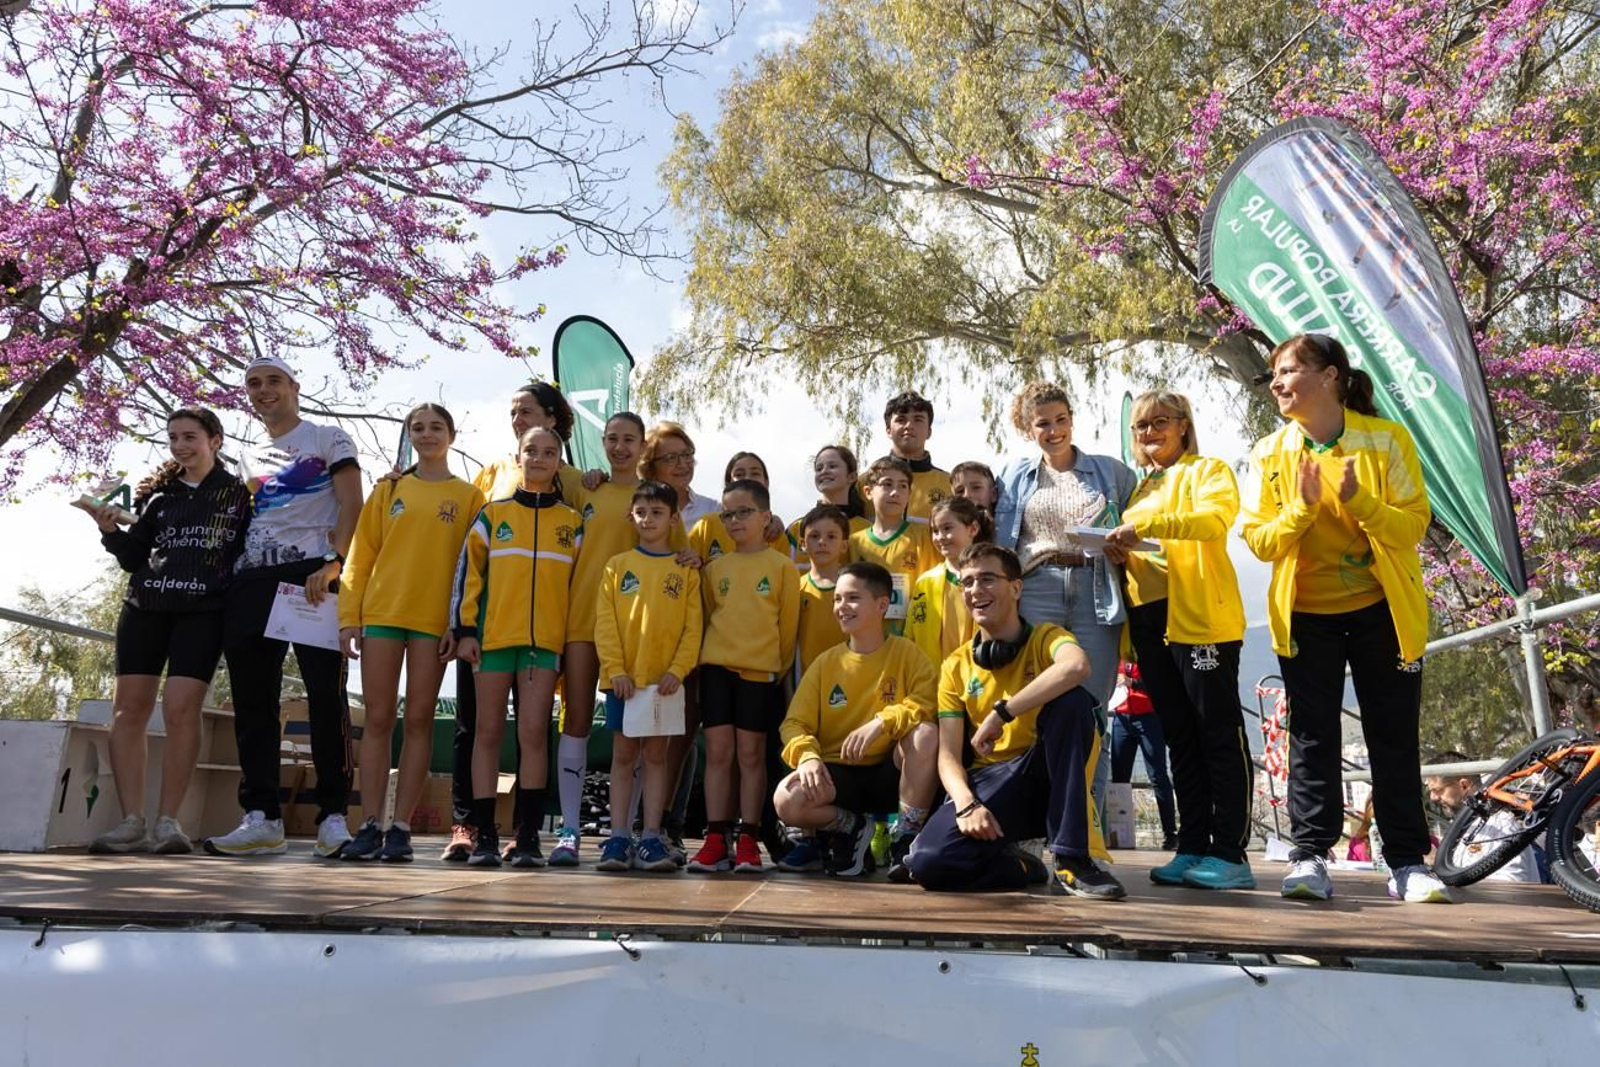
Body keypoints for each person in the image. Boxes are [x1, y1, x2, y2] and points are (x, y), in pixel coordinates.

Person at [1241, 332, 1449, 904]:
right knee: (1311, 736)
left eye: (1287, 371)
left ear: (1330, 376)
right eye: (1273, 376)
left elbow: (1411, 527)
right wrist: (1303, 511)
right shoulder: (1269, 453)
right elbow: (1259, 539)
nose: (1277, 384)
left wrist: (1359, 501)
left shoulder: (1385, 441)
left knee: (1392, 736)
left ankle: (1407, 863)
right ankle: (1310, 856)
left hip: (1383, 611)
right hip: (1306, 615)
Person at [206, 356, 362, 859]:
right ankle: (262, 817)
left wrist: (336, 563)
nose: (263, 390)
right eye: (253, 383)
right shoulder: (247, 456)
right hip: (253, 581)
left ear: (295, 386)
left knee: (324, 697)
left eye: (273, 381)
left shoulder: (328, 438)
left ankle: (333, 816)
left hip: (313, 576)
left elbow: (353, 504)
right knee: (253, 702)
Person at [906, 543, 1125, 899]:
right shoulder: (956, 665)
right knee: (928, 864)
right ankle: (1020, 866)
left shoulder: (1046, 638)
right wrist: (966, 804)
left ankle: (1072, 860)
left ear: (1017, 587)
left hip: (1050, 775)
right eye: (968, 582)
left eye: (988, 579)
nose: (976, 590)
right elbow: (947, 754)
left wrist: (1004, 711)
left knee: (1073, 702)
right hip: (994, 782)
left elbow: (1076, 666)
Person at [85, 408, 252, 855]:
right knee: (128, 712)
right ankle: (131, 821)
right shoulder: (156, 496)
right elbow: (133, 556)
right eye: (173, 437)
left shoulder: (240, 494)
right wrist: (107, 531)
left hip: (203, 611)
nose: (180, 446)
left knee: (181, 709)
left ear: (215, 440)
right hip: (145, 607)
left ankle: (168, 822)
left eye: (190, 437)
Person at [1103, 391, 1252, 889]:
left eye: (1159, 422)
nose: (1148, 433)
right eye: (1140, 426)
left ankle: (1231, 853)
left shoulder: (1208, 470)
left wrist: (1143, 525)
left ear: (1184, 425)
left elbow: (1213, 523)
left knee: (1217, 733)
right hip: (1147, 618)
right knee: (1180, 738)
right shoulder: (1139, 485)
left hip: (1200, 615)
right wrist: (1122, 553)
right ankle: (1191, 846)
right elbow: (1141, 545)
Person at [336, 404, 484, 863]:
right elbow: (361, 554)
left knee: (419, 721)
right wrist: (349, 615)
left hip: (432, 623)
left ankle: (400, 827)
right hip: (382, 613)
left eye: (436, 427)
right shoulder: (390, 490)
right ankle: (370, 824)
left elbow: (473, 568)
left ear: (452, 435)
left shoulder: (469, 496)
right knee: (378, 719)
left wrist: (458, 624)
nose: (426, 434)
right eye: (417, 428)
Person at [441, 381, 582, 862]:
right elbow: (468, 578)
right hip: (492, 641)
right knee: (485, 734)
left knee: (533, 735)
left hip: (544, 646)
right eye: (530, 451)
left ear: (559, 462)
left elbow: (580, 586)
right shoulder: (491, 515)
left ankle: (525, 838)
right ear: (517, 457)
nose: (539, 458)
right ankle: (482, 834)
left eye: (548, 452)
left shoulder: (572, 522)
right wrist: (464, 632)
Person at [775, 562, 939, 880]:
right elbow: (794, 723)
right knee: (787, 800)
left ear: (881, 604)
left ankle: (904, 838)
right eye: (837, 599)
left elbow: (926, 703)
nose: (841, 607)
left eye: (852, 598)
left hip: (892, 773)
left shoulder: (908, 654)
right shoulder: (826, 663)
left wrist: (882, 722)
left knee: (926, 734)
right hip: (838, 776)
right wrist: (807, 756)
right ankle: (853, 829)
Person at [688, 479, 800, 874]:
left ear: (765, 516)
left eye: (743, 512)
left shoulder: (782, 566)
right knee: (718, 753)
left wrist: (773, 668)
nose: (734, 520)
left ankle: (749, 836)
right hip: (716, 670)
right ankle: (716, 837)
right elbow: (704, 619)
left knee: (752, 756)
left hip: (761, 673)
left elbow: (787, 631)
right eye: (728, 514)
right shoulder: (715, 568)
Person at [594, 480, 704, 874]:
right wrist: (616, 670)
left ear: (673, 518)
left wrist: (678, 670)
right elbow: (605, 625)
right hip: (624, 682)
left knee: (657, 757)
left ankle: (652, 835)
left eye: (657, 512)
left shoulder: (684, 569)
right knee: (623, 756)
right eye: (641, 512)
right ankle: (619, 835)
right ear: (631, 515)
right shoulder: (617, 566)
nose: (648, 519)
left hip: (666, 684)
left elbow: (694, 628)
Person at [553, 411, 647, 867]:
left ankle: (622, 832)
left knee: (633, 734)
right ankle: (569, 829)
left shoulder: (651, 499)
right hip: (579, 622)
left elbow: (678, 549)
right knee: (576, 721)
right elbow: (537, 450)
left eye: (629, 439)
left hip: (633, 634)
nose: (619, 447)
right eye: (612, 439)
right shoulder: (584, 486)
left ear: (643, 447)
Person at [638, 421, 717, 863]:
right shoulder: (640, 505)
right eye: (672, 457)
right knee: (638, 738)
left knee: (681, 734)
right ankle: (634, 825)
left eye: (688, 455)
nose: (683, 463)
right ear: (652, 464)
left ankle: (666, 824)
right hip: (641, 640)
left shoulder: (711, 510)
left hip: (693, 637)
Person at [849, 456, 942, 636]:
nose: (895, 492)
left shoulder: (925, 536)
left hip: (915, 640)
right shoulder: (855, 542)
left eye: (902, 486)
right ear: (868, 492)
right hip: (868, 641)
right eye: (887, 484)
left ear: (909, 494)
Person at [1426, 753, 1542, 883]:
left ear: (1464, 785)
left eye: (1437, 790)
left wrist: (1440, 866)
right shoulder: (1462, 828)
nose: (1433, 797)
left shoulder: (1500, 823)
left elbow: (1511, 882)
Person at [905, 495, 991, 668]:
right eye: (935, 531)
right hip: (933, 682)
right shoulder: (925, 582)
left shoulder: (990, 580)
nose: (940, 537)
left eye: (947, 528)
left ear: (973, 529)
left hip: (977, 678)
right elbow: (911, 637)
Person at [1104, 663, 1178, 853]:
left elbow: (1161, 681)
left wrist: (1133, 682)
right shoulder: (1117, 653)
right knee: (1120, 779)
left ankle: (1170, 834)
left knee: (1158, 776)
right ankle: (1119, 836)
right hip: (1121, 717)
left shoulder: (1147, 650)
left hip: (1149, 717)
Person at [686, 450, 791, 560]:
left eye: (755, 473)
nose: (747, 478)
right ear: (728, 483)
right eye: (739, 474)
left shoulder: (775, 534)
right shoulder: (707, 525)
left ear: (766, 482)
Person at [786, 445, 872, 572]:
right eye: (819, 468)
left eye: (832, 466)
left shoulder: (868, 530)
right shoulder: (796, 529)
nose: (824, 471)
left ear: (852, 477)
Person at [883, 391, 949, 522]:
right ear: (888, 430)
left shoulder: (949, 484)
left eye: (918, 419)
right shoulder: (866, 481)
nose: (909, 426)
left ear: (929, 431)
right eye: (901, 420)